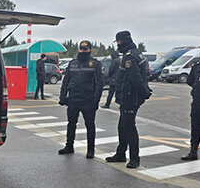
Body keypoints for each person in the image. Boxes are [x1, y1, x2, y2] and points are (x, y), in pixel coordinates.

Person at [105, 31, 152, 169]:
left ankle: (134, 158)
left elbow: (135, 78)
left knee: (129, 128)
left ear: (125, 41)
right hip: (128, 96)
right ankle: (120, 154)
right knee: (122, 126)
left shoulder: (130, 57)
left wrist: (143, 93)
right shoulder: (136, 53)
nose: (118, 45)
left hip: (130, 97)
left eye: (119, 42)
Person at [58, 40, 104, 158]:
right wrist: (63, 96)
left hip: (88, 100)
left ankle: (90, 150)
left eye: (85, 49)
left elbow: (100, 84)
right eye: (81, 49)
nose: (83, 51)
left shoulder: (95, 64)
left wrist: (96, 101)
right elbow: (66, 81)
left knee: (90, 125)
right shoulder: (72, 63)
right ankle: (69, 146)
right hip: (73, 99)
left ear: (89, 50)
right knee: (71, 124)